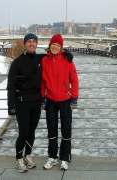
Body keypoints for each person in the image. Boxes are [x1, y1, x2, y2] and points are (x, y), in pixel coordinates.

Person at [7, 33, 73, 173]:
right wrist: (10, 105)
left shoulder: (41, 58)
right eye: (29, 41)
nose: (31, 44)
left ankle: (28, 156)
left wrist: (68, 54)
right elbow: (11, 85)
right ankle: (19, 158)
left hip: (36, 102)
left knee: (31, 132)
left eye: (34, 41)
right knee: (23, 132)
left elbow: (55, 54)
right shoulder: (17, 62)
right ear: (25, 44)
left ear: (37, 44)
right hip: (22, 103)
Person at [41, 34, 79, 170]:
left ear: (61, 47)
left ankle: (64, 158)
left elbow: (74, 80)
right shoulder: (44, 60)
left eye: (57, 45)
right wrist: (42, 98)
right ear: (50, 46)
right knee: (51, 130)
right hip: (50, 100)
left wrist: (74, 98)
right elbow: (42, 82)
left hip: (65, 100)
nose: (55, 47)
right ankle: (52, 157)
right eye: (53, 44)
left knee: (66, 130)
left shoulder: (68, 60)